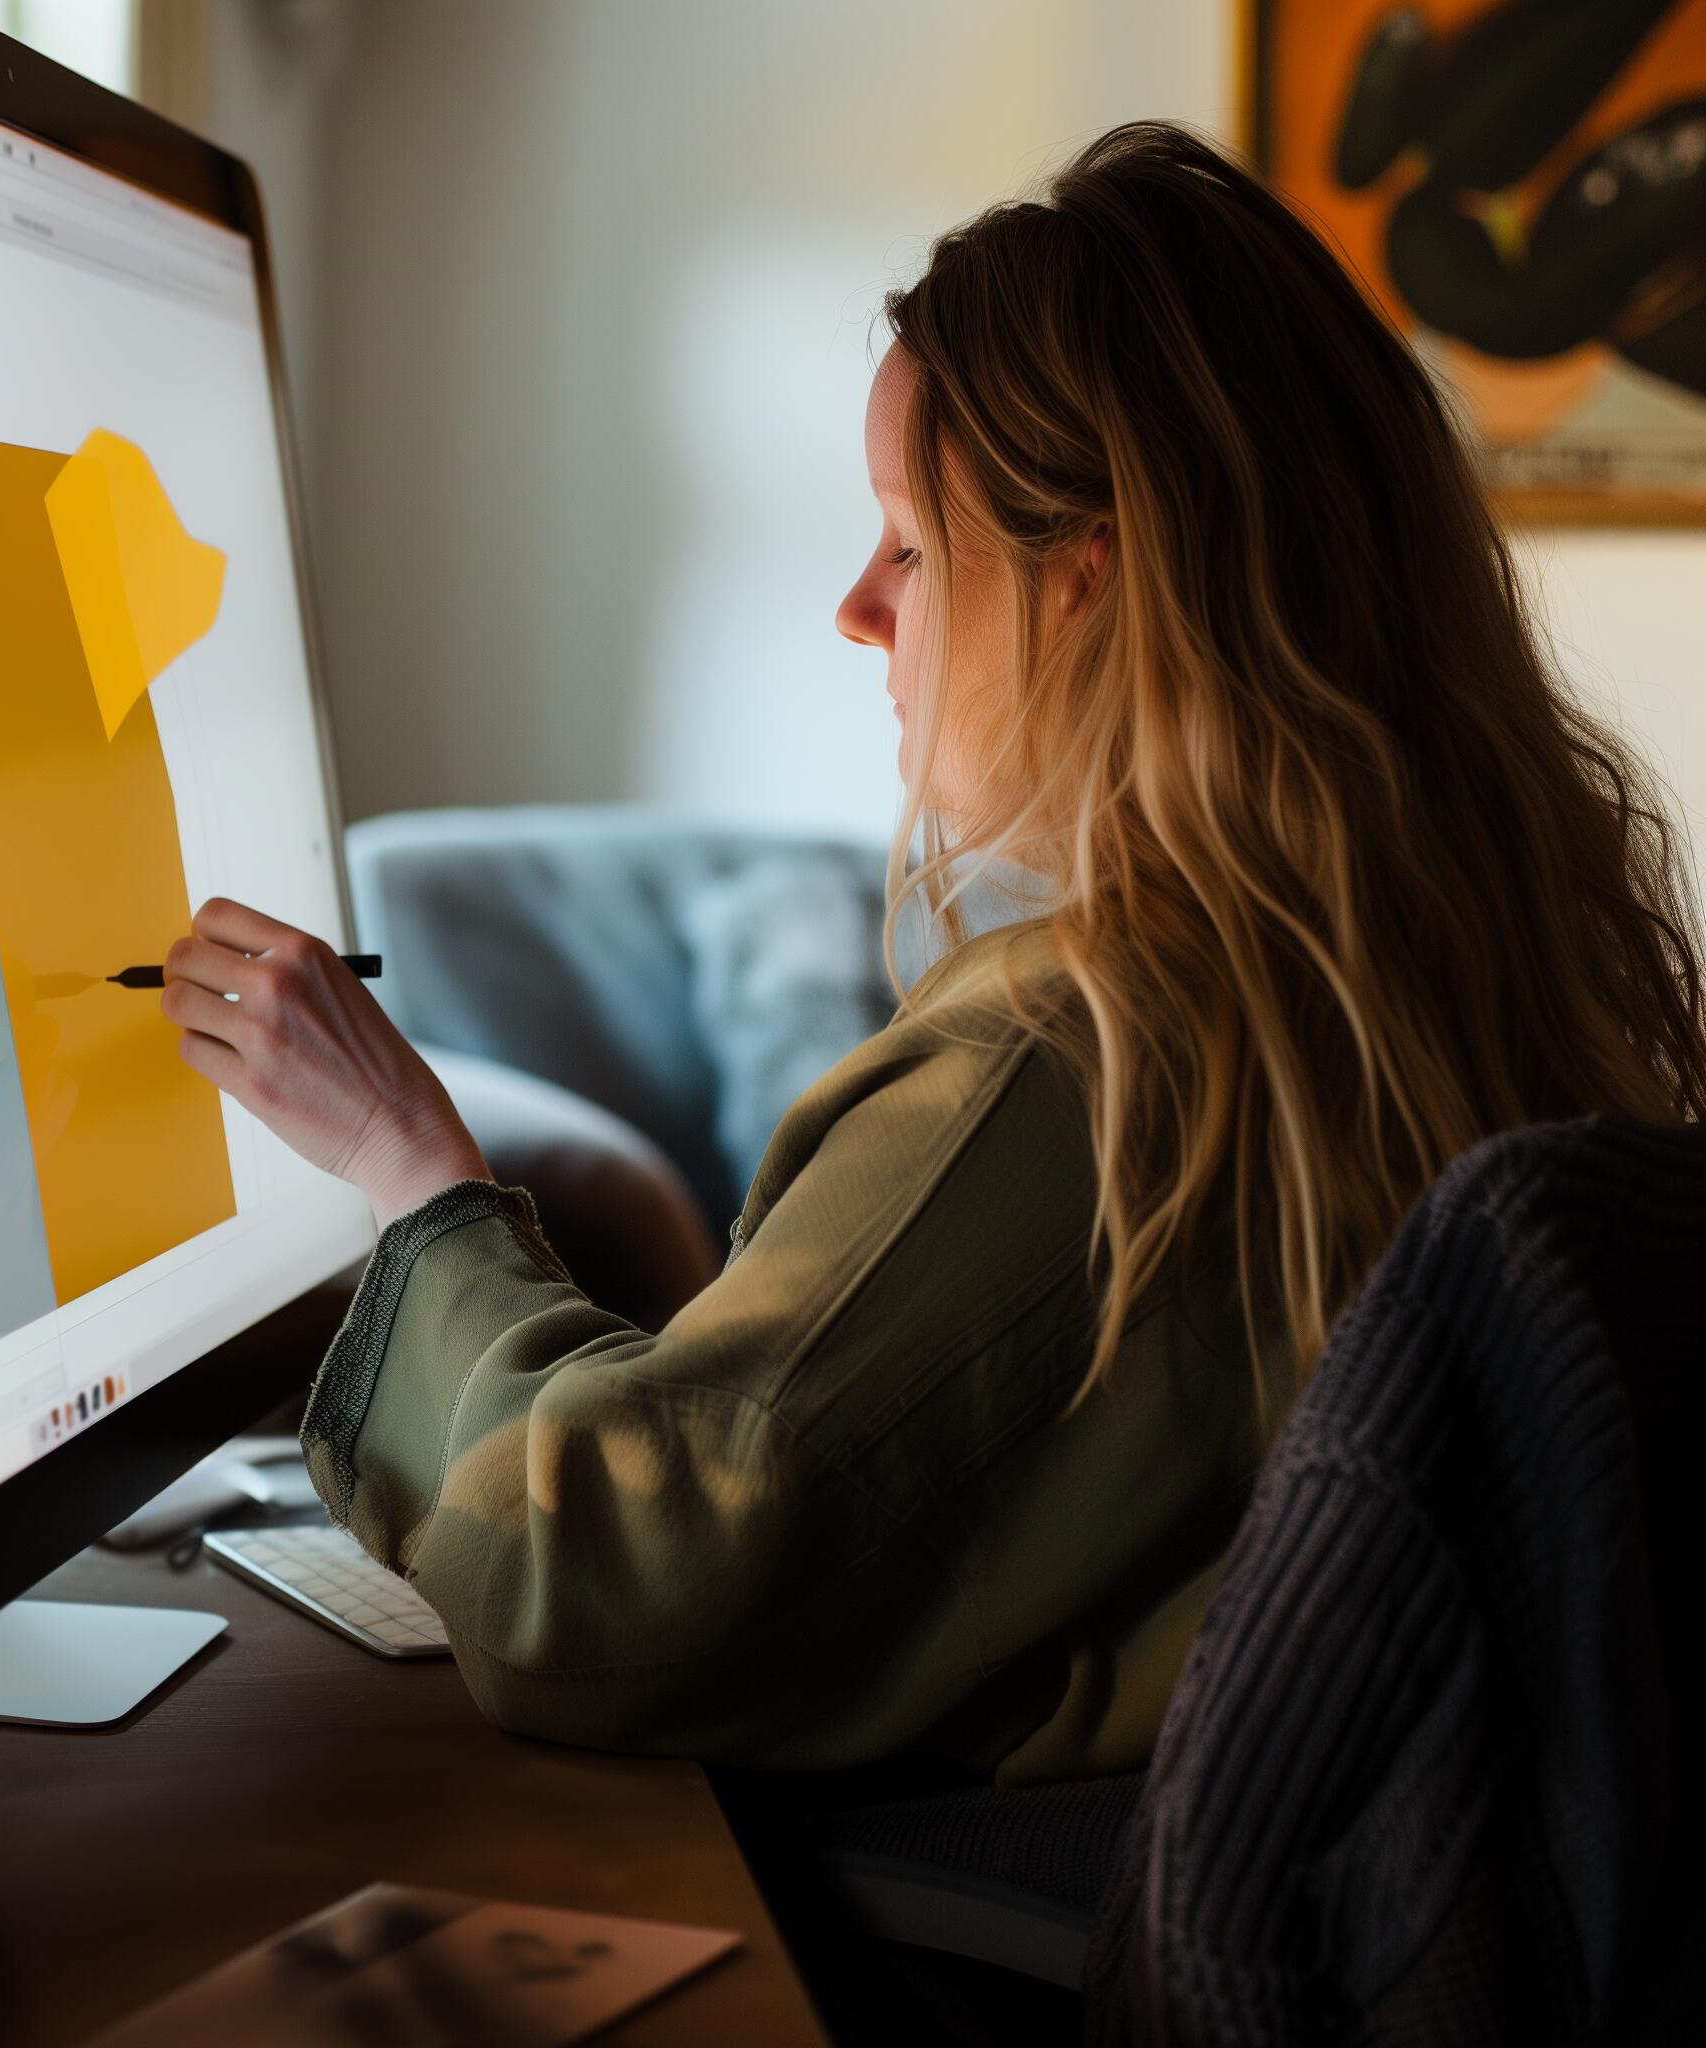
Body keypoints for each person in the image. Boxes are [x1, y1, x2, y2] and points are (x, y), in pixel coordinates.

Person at [160, 122, 1706, 1782]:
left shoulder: (1076, 1064)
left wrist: (406, 1164)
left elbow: (603, 1595)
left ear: (1085, 584)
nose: (858, 608)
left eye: (907, 539)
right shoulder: (1456, 975)